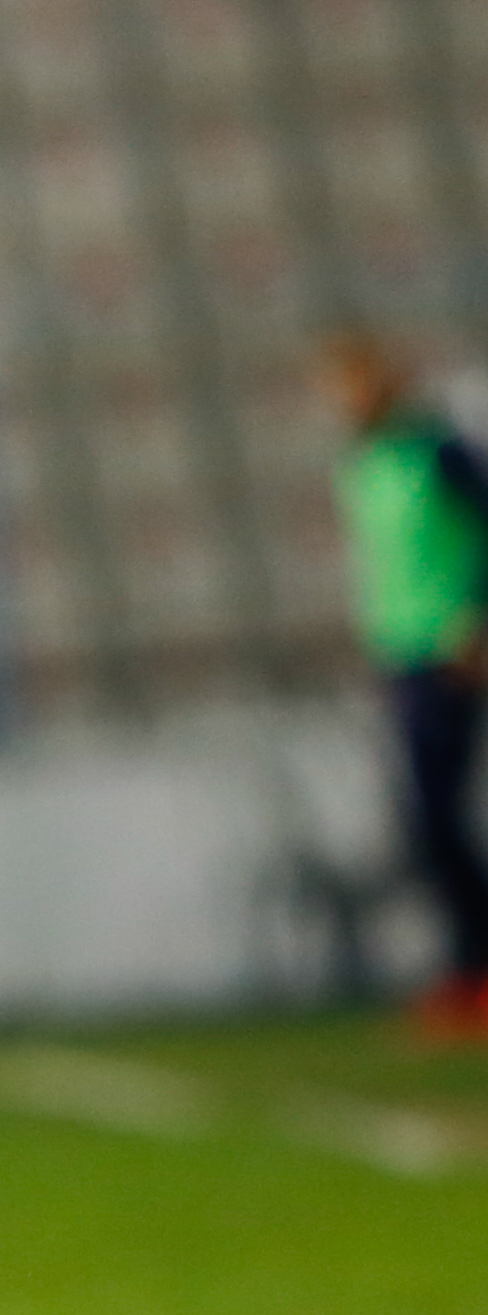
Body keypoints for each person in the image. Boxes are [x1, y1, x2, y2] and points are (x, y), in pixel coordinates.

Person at [319, 329, 488, 1038]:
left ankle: (474, 967)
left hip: (452, 649)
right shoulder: (360, 464)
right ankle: (468, 967)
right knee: (426, 819)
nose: (345, 397)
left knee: (435, 814)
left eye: (355, 380)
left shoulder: (437, 452)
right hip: (403, 655)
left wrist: (476, 620)